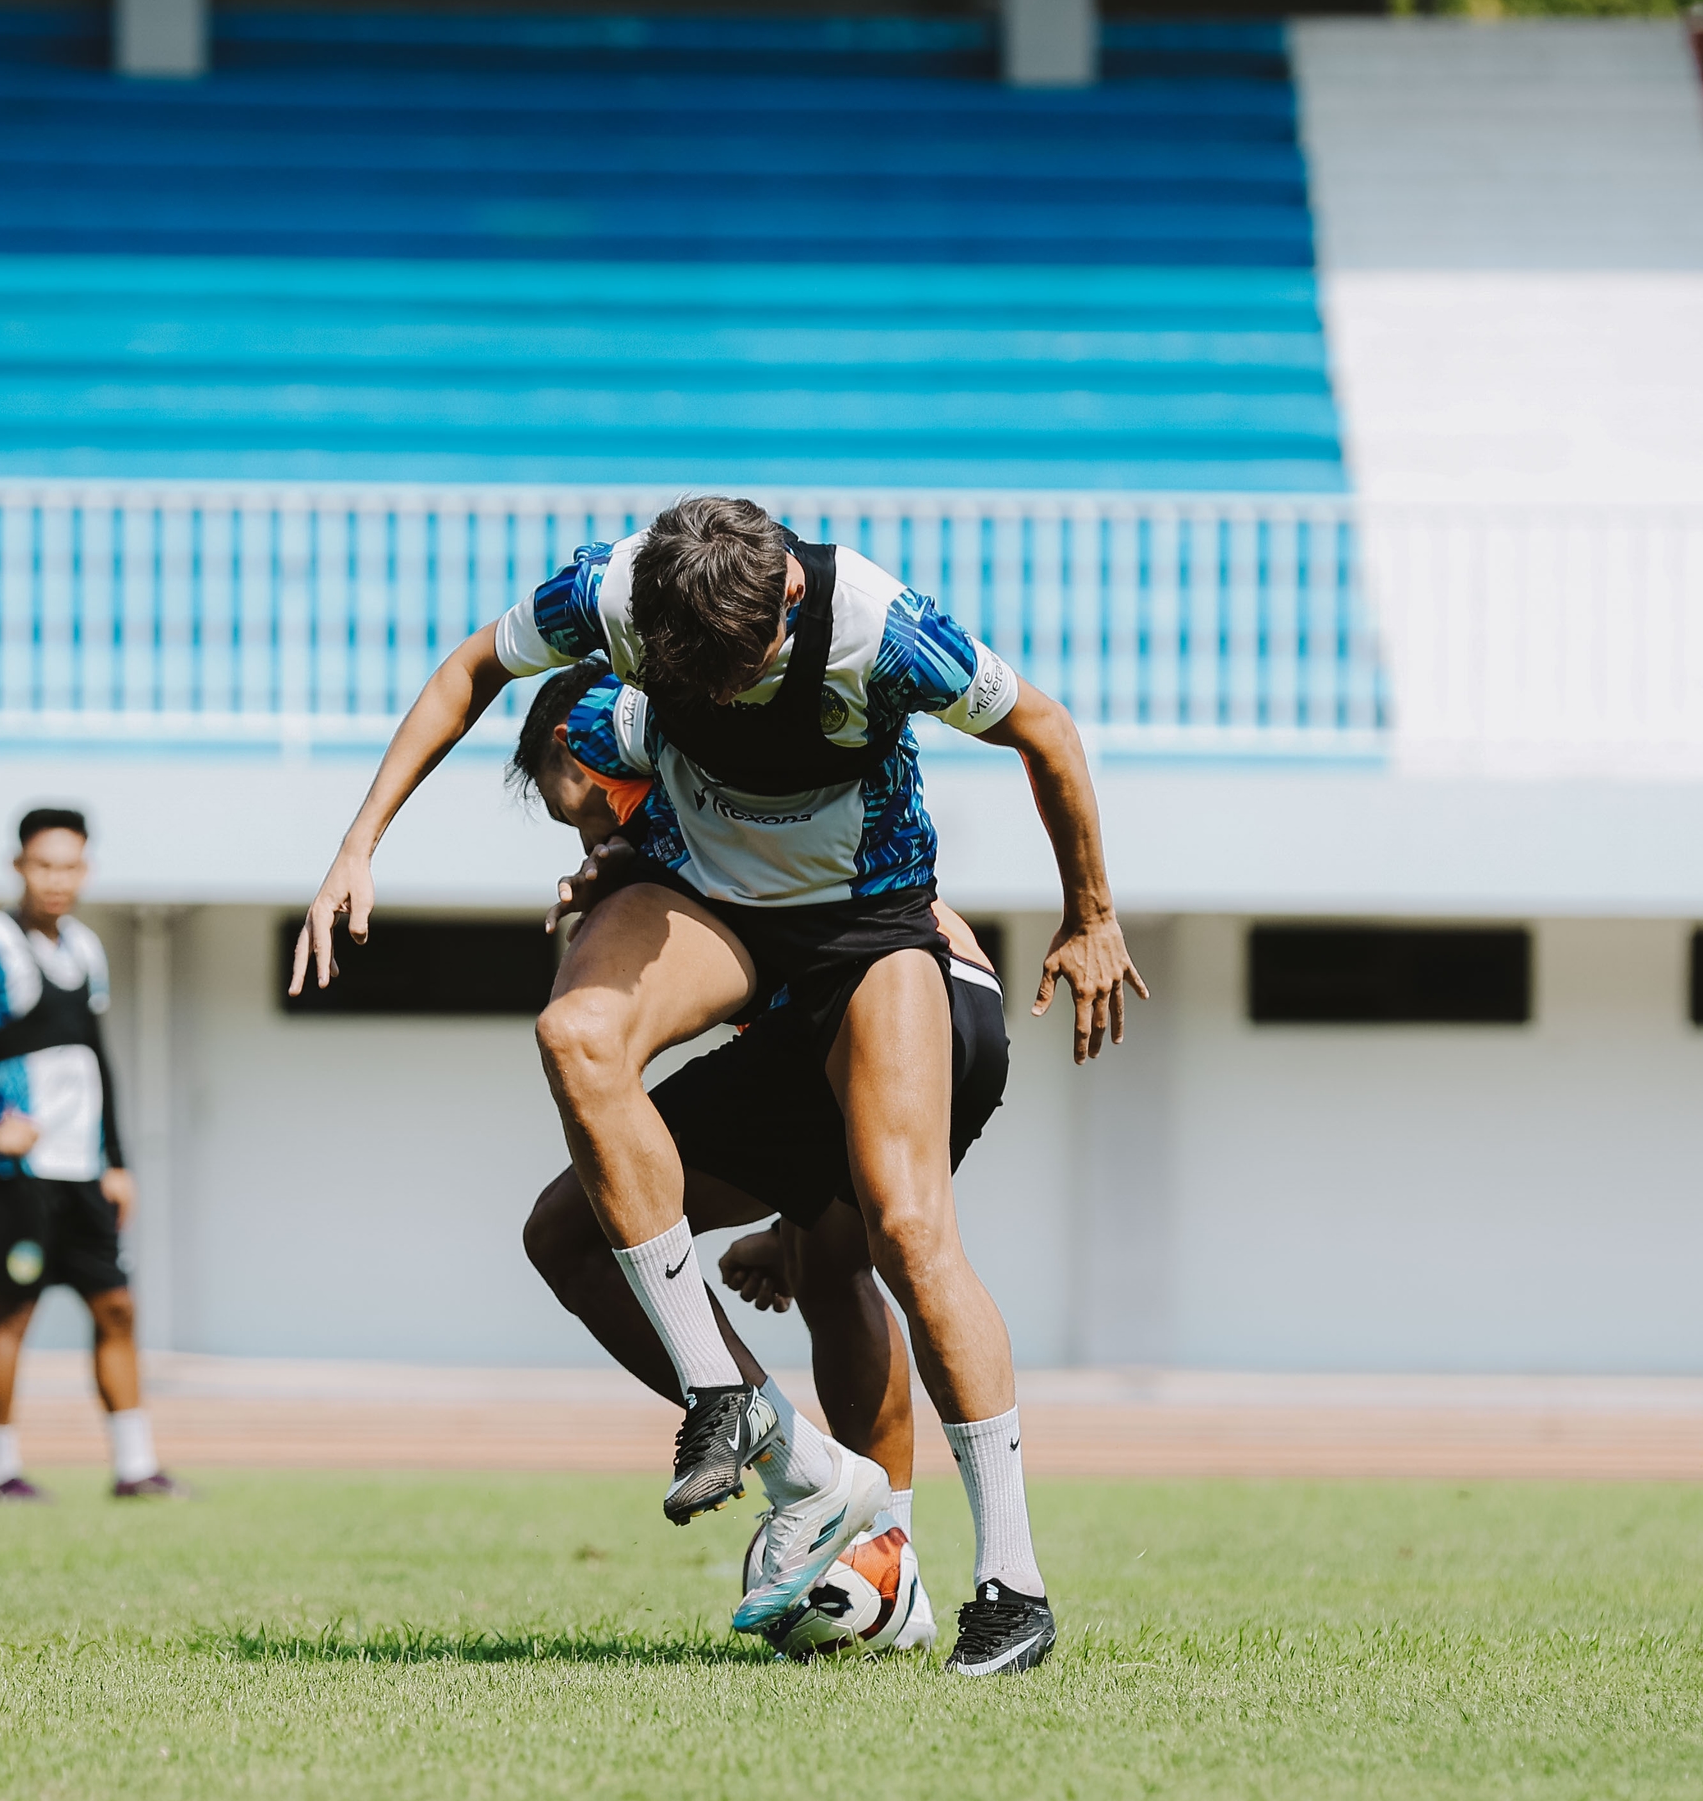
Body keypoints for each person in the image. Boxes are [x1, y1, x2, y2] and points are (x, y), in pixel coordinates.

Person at [299, 497, 1140, 1678]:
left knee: (895, 1235)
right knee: (577, 1051)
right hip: (740, 941)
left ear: (787, 600)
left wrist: (1090, 913)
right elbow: (473, 668)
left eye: (736, 673)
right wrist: (360, 842)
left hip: (871, 937)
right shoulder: (612, 603)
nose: (718, 698)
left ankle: (1011, 1586)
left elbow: (1043, 726)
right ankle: (761, 1429)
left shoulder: (879, 627)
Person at [507, 665, 1011, 1656]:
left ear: (575, 749)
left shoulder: (652, 783)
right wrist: (788, 1217)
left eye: (574, 808)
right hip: (951, 1003)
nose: (586, 832)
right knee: (834, 1261)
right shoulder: (711, 796)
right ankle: (890, 1559)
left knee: (569, 1232)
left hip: (884, 993)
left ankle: (813, 1474)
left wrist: (616, 869)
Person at [0, 808, 174, 1501]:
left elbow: (97, 1057)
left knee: (116, 1308)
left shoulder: (85, 949)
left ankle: (135, 1467)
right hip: (14, 1173)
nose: (56, 880)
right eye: (43, 865)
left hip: (82, 1169)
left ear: (85, 870)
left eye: (69, 866)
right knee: (15, 1311)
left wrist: (117, 1162)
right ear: (19, 867)